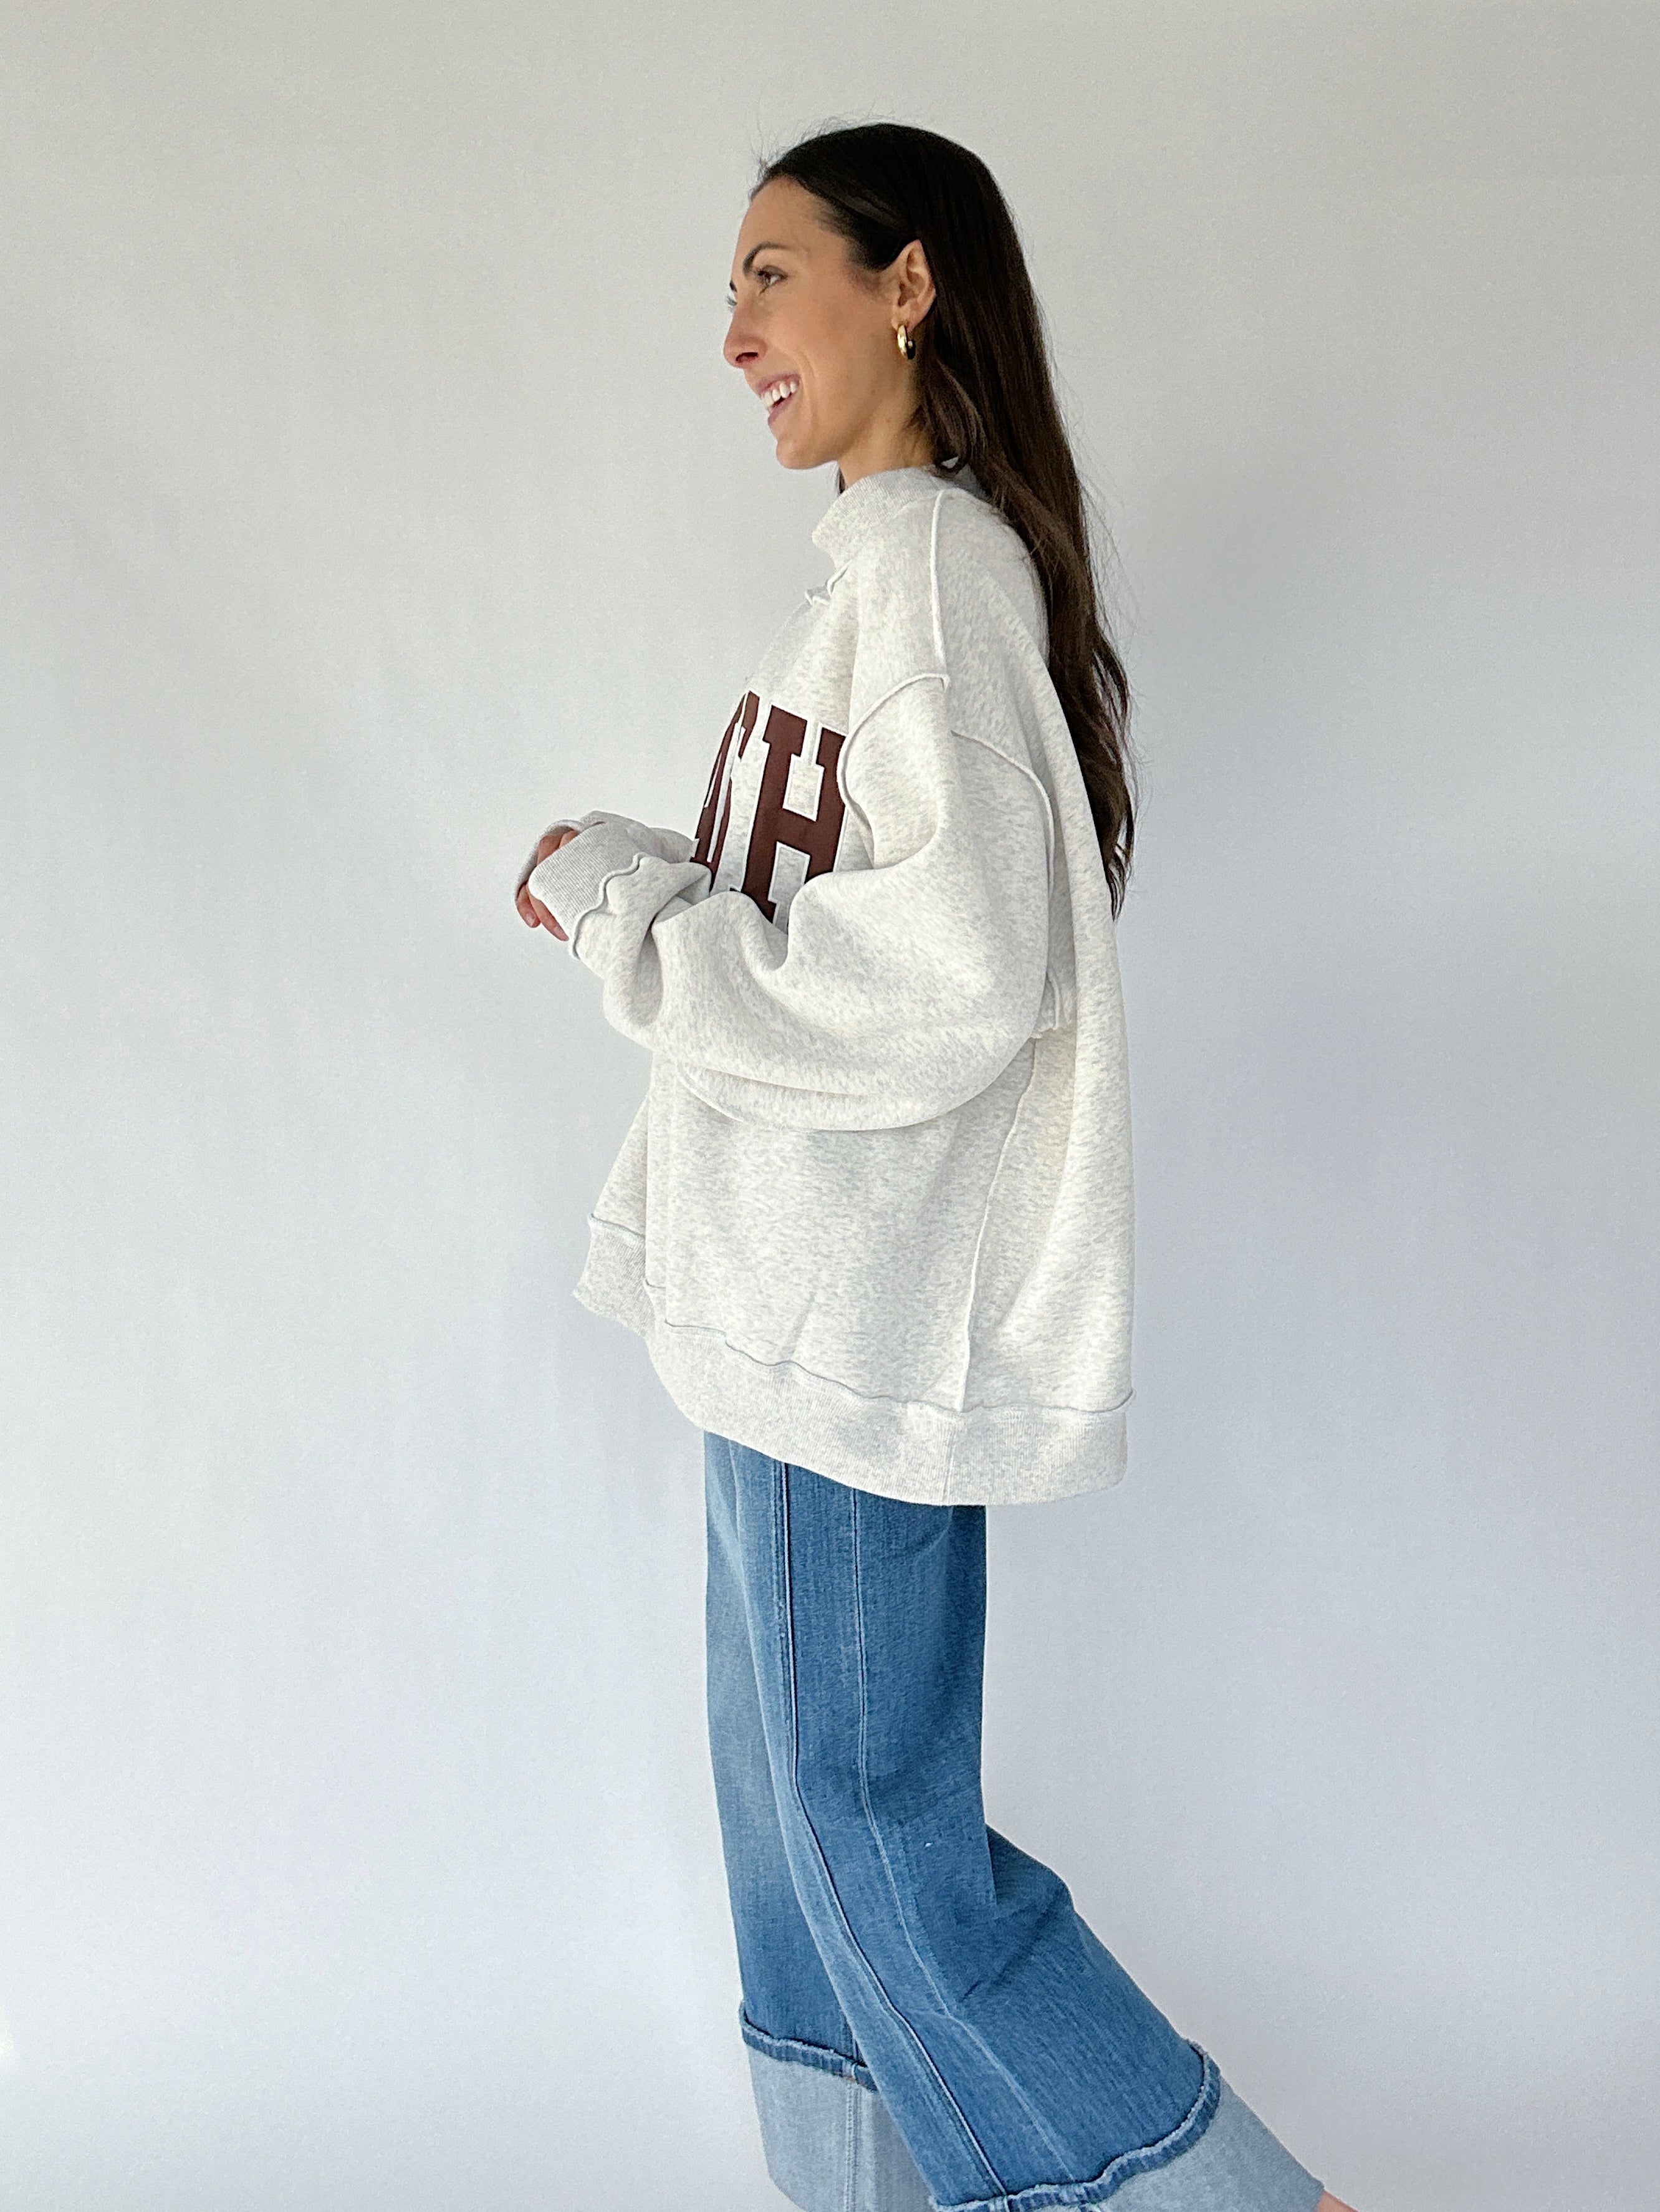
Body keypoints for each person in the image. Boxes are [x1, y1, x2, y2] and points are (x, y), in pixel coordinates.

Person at [515, 121, 1360, 2212]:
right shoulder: (880, 576)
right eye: (728, 291)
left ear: (910, 286)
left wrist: (645, 927)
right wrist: (638, 874)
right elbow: (851, 921)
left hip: (840, 1319)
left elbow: (955, 971)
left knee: (875, 1846)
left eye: (771, 276)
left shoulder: (925, 570)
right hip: (783, 1316)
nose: (734, 336)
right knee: (807, 1857)